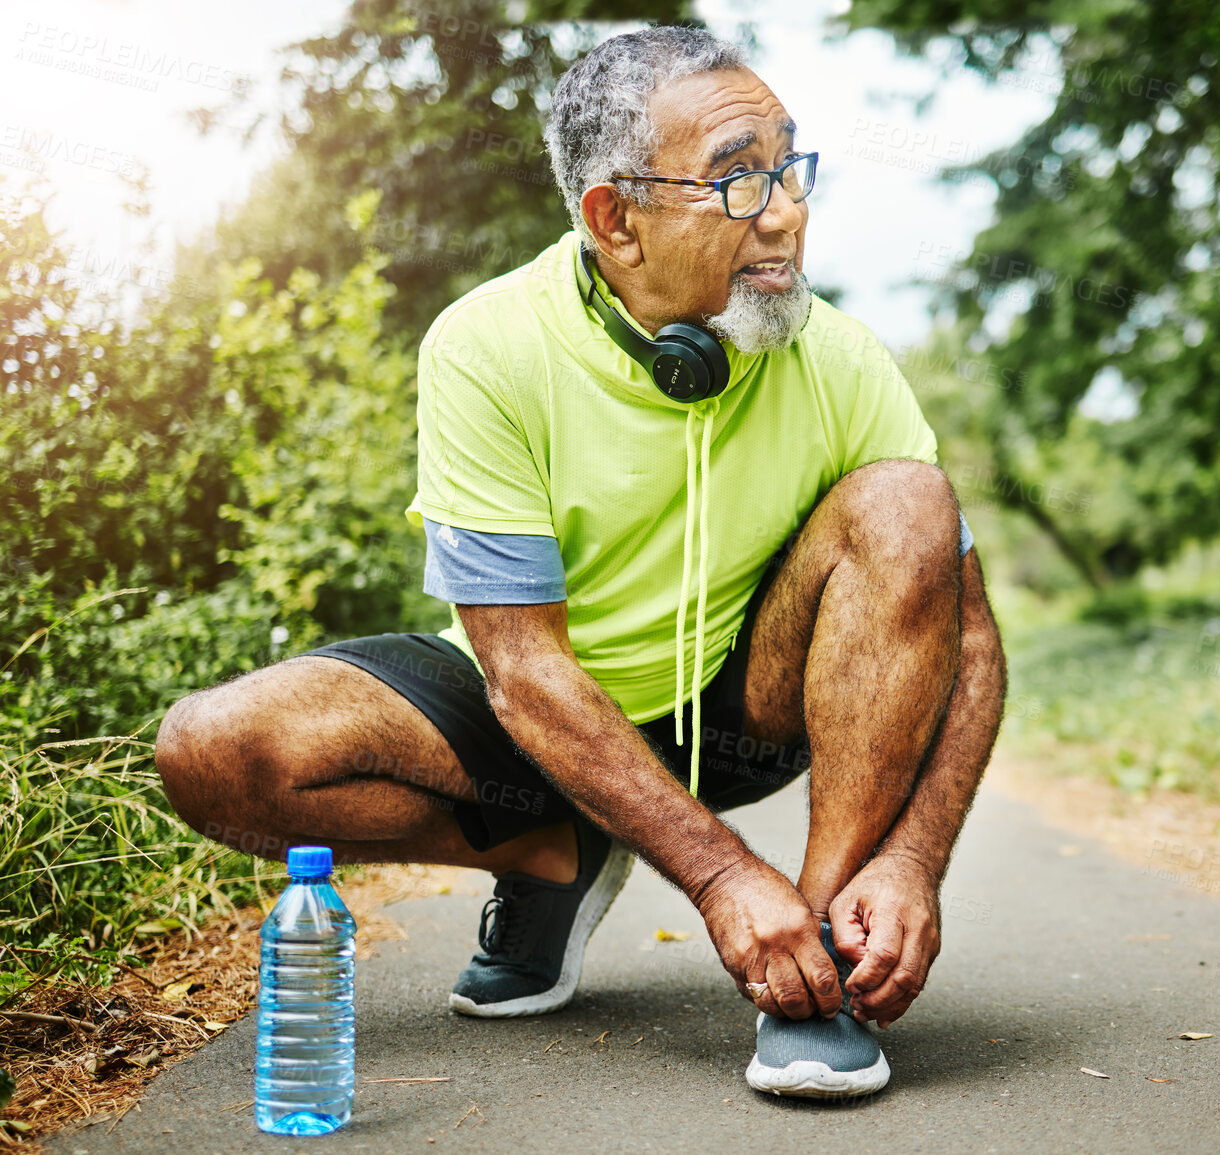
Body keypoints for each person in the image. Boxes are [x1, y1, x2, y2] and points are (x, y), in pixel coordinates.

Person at [153, 24, 1006, 1100]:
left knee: (907, 500)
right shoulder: (487, 346)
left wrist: (911, 859)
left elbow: (968, 637)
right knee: (212, 750)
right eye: (738, 179)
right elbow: (523, 672)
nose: (786, 209)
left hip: (740, 715)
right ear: (617, 220)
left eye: (789, 165)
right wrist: (719, 877)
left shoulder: (841, 359)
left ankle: (818, 955)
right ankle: (545, 849)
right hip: (537, 722)